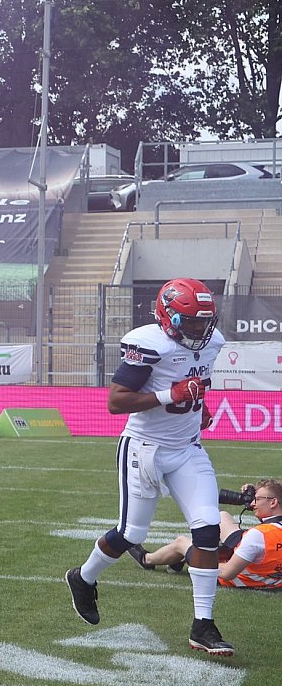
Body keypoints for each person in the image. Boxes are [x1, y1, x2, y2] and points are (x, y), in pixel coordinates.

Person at [65, 277, 233, 656]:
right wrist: (170, 395)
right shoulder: (149, 343)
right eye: (191, 322)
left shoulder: (213, 342)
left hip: (188, 449)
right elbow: (117, 402)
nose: (200, 330)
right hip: (144, 449)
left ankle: (203, 624)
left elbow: (195, 381)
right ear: (168, 316)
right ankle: (83, 577)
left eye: (204, 322)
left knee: (208, 530)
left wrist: (200, 408)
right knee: (130, 533)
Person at [130, 480, 282, 589]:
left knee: (182, 542)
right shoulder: (263, 533)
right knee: (221, 516)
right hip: (271, 574)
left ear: (273, 502)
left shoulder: (257, 536)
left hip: (242, 578)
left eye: (257, 499)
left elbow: (227, 572)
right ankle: (186, 556)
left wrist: (199, 558)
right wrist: (254, 497)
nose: (253, 504)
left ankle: (147, 559)